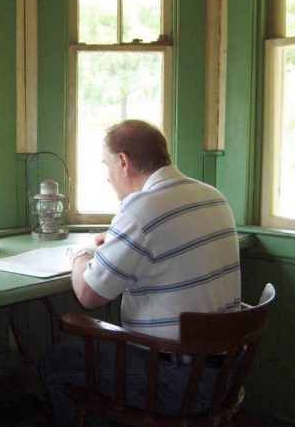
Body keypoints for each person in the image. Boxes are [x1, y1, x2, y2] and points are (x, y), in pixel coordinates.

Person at [39, 119, 241, 425]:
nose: (108, 177)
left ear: (123, 161)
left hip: (177, 381)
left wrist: (80, 253)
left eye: (107, 166)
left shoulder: (141, 209)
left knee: (53, 365)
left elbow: (88, 295)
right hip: (225, 372)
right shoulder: (213, 196)